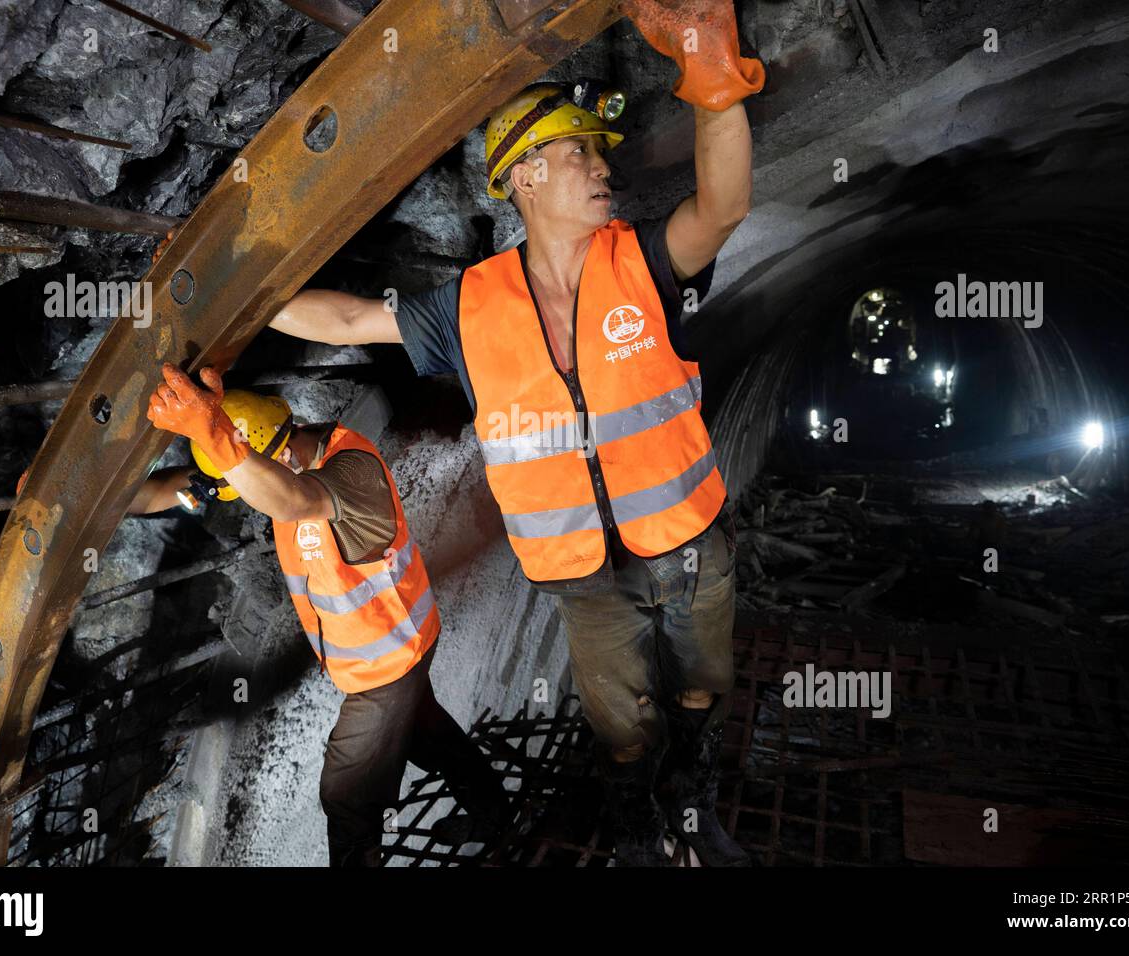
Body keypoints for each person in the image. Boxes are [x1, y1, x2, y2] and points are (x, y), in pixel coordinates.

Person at [265, 2, 763, 865]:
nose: (600, 168)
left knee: (702, 695)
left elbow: (721, 207)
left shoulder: (642, 262)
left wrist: (714, 81)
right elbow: (346, 319)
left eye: (598, 154)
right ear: (524, 176)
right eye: (579, 152)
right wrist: (231, 297)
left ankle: (696, 817)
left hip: (686, 544)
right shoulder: (468, 307)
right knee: (623, 721)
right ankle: (641, 835)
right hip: (583, 575)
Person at [137, 362, 508, 865]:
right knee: (425, 734)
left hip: (388, 662)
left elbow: (293, 500)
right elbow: (169, 491)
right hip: (391, 649)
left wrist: (219, 438)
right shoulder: (272, 460)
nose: (246, 494)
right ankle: (495, 815)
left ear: (280, 453)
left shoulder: (351, 470)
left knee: (347, 793)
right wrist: (90, 508)